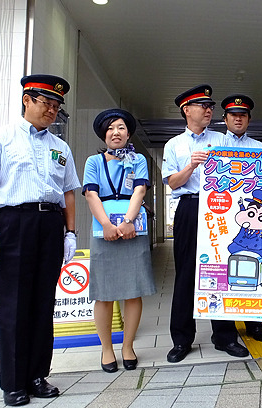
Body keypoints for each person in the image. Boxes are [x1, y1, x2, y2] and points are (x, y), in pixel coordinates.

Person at [0, 74, 80, 406]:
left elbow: (68, 193)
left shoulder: (60, 147)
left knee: (42, 303)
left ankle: (37, 375)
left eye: (56, 106)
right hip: (12, 222)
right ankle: (13, 382)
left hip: (49, 223)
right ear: (27, 100)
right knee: (12, 304)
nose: (51, 110)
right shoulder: (1, 138)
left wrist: (70, 232)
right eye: (46, 103)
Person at [162, 84, 249, 363]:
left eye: (211, 106)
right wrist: (191, 166)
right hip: (189, 207)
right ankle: (181, 339)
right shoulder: (174, 145)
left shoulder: (224, 140)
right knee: (186, 273)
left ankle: (224, 336)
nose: (210, 110)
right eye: (203, 106)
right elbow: (171, 182)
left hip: (222, 207)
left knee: (221, 272)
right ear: (187, 110)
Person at [82, 109, 156, 373]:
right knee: (104, 294)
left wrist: (127, 221)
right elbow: (91, 194)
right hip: (103, 229)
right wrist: (106, 224)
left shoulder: (137, 159)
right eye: (111, 128)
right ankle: (106, 349)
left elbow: (140, 189)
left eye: (122, 127)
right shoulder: (93, 161)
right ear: (104, 133)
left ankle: (128, 347)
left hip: (132, 228)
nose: (116, 132)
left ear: (128, 133)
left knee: (133, 292)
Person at [220, 93, 262, 343]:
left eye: (242, 115)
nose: (238, 119)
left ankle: (255, 325)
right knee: (224, 267)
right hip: (221, 213)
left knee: (254, 271)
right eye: (233, 115)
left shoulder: (259, 148)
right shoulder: (216, 144)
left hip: (252, 216)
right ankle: (226, 330)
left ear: (249, 119)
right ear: (225, 119)